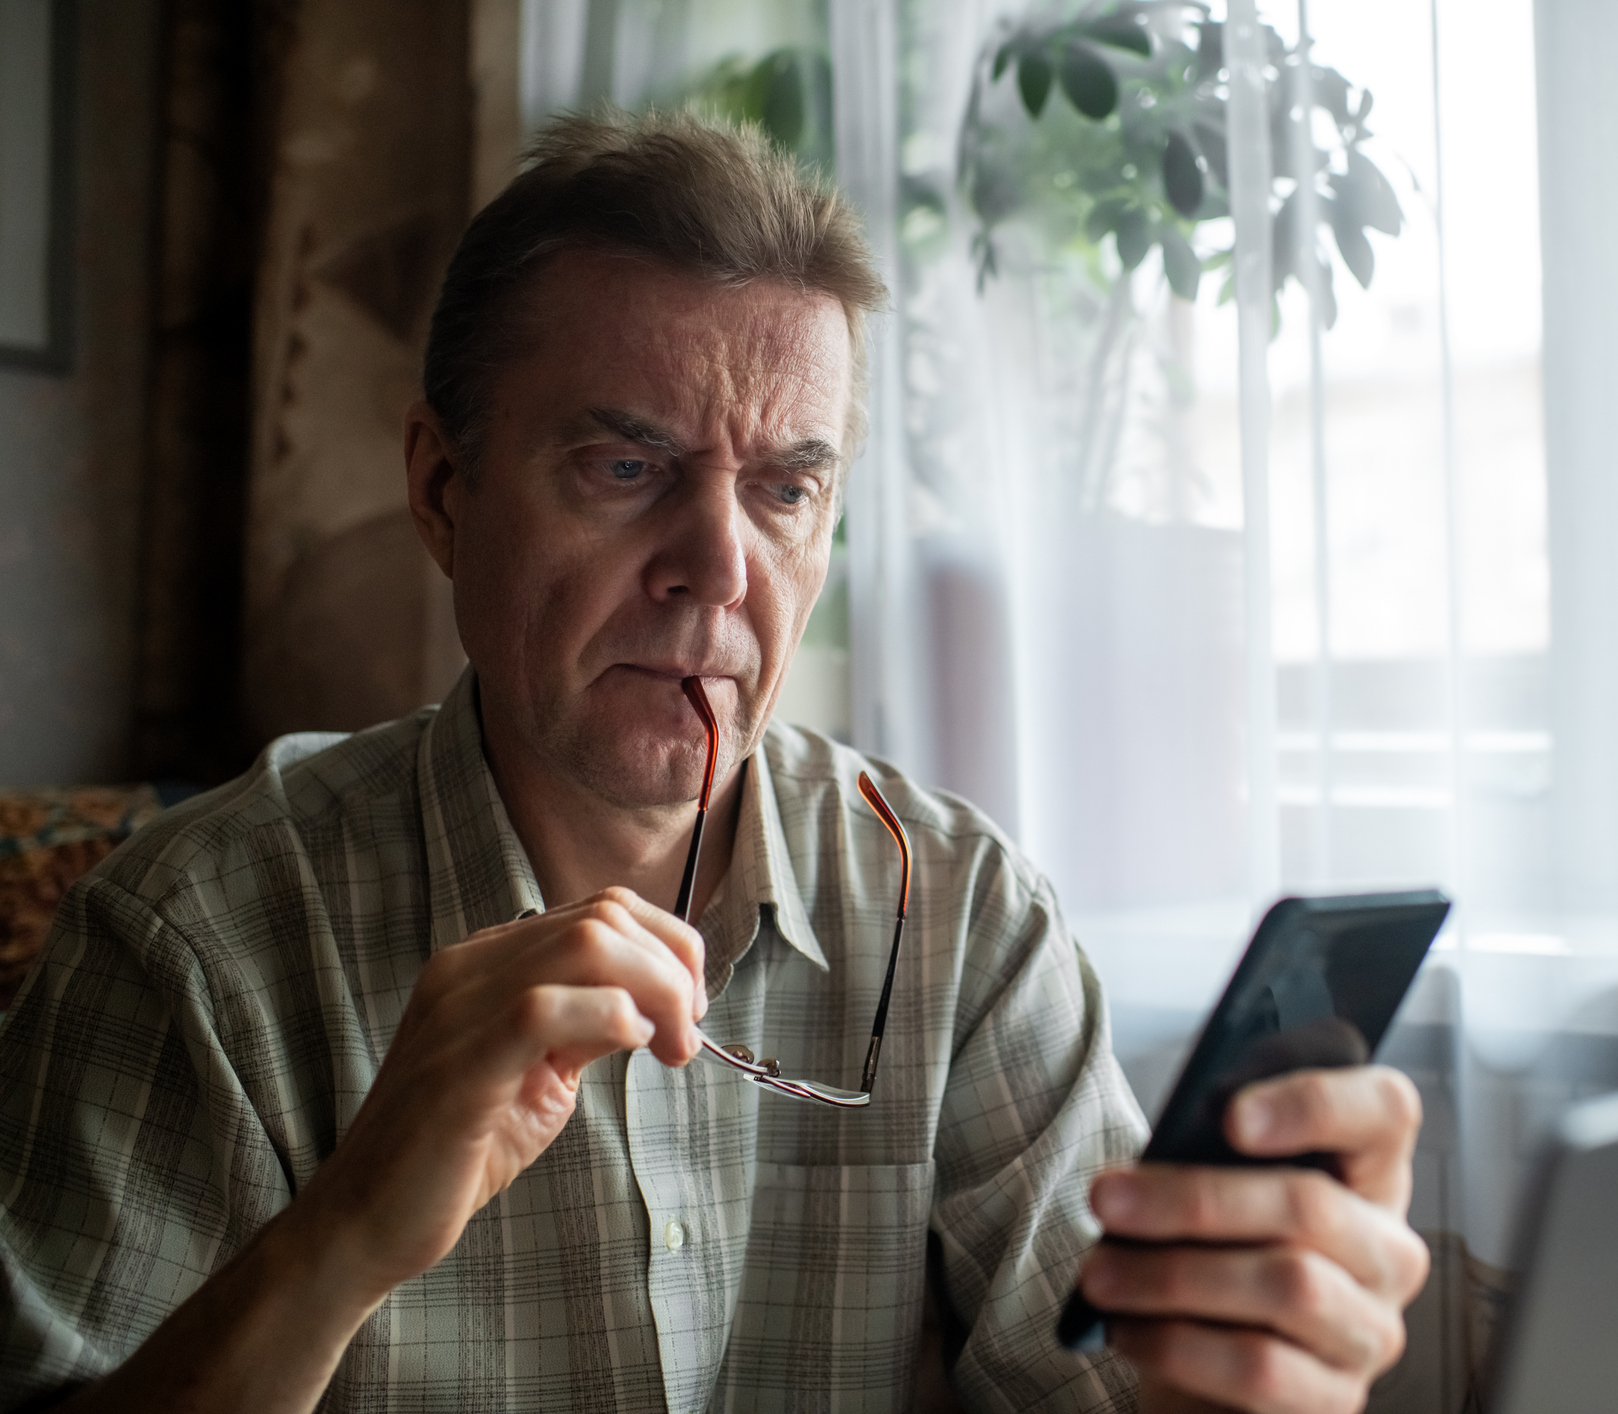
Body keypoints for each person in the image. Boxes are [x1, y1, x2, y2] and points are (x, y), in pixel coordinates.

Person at [0, 114, 1428, 1413]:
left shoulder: (966, 918)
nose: (716, 569)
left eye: (783, 488)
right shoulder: (195, 940)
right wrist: (346, 1230)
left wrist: (1239, 1375)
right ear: (444, 489)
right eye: (625, 469)